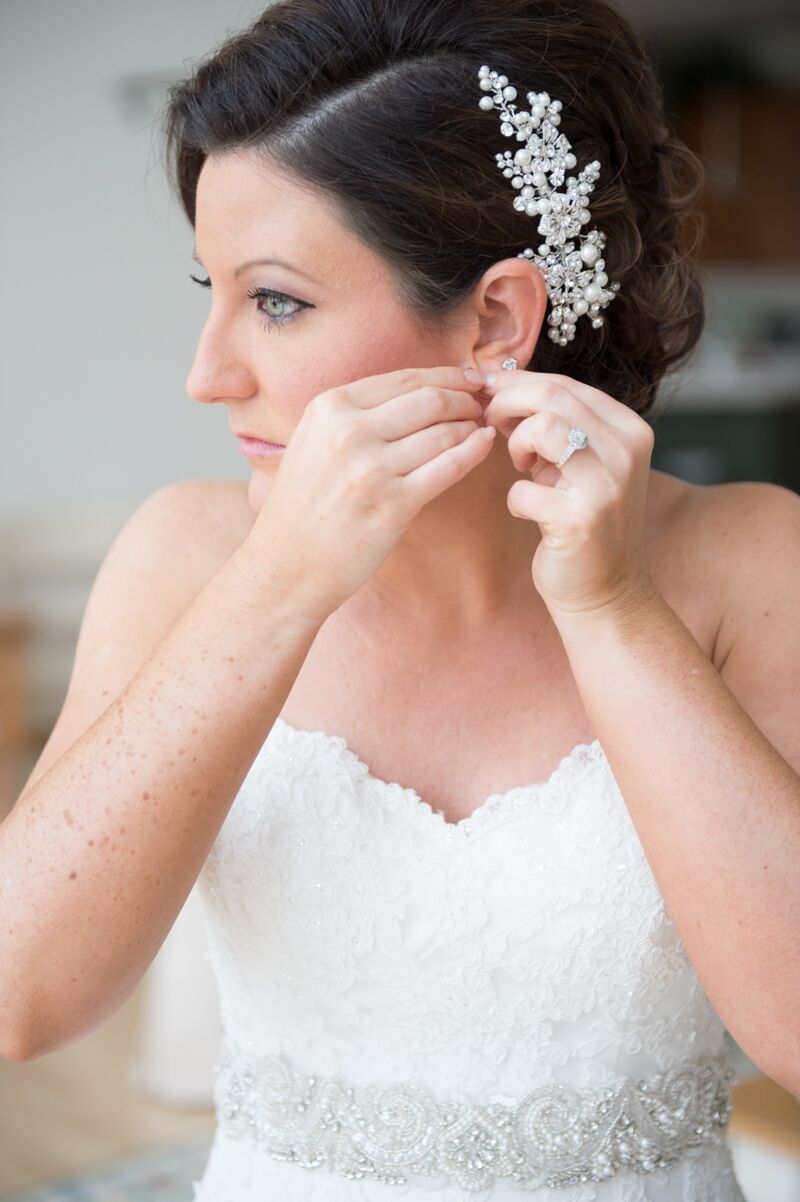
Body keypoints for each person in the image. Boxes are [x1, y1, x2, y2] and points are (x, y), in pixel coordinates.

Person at [2, 0, 799, 1198]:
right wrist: (276, 586)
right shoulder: (186, 553)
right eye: (208, 289)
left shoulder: (749, 559)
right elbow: (21, 995)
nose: (205, 371)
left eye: (273, 300)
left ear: (493, 321)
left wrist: (615, 612)